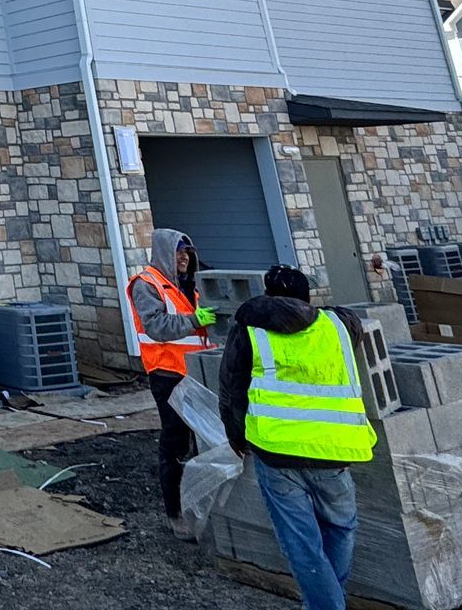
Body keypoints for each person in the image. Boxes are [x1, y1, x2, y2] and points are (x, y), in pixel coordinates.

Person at [218, 265, 376, 610]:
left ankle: (326, 605)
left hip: (276, 451)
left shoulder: (250, 330)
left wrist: (235, 434)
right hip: (334, 449)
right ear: (308, 297)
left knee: (302, 543)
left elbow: (232, 387)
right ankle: (327, 602)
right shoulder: (341, 325)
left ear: (266, 296)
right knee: (341, 529)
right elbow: (345, 317)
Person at [126, 227, 217, 535]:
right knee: (175, 443)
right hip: (168, 374)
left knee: (206, 439)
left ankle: (204, 507)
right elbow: (156, 326)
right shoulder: (147, 284)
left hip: (197, 372)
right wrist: (194, 320)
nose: (184, 257)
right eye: (178, 251)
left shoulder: (191, 285)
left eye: (187, 252)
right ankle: (176, 513)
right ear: (164, 253)